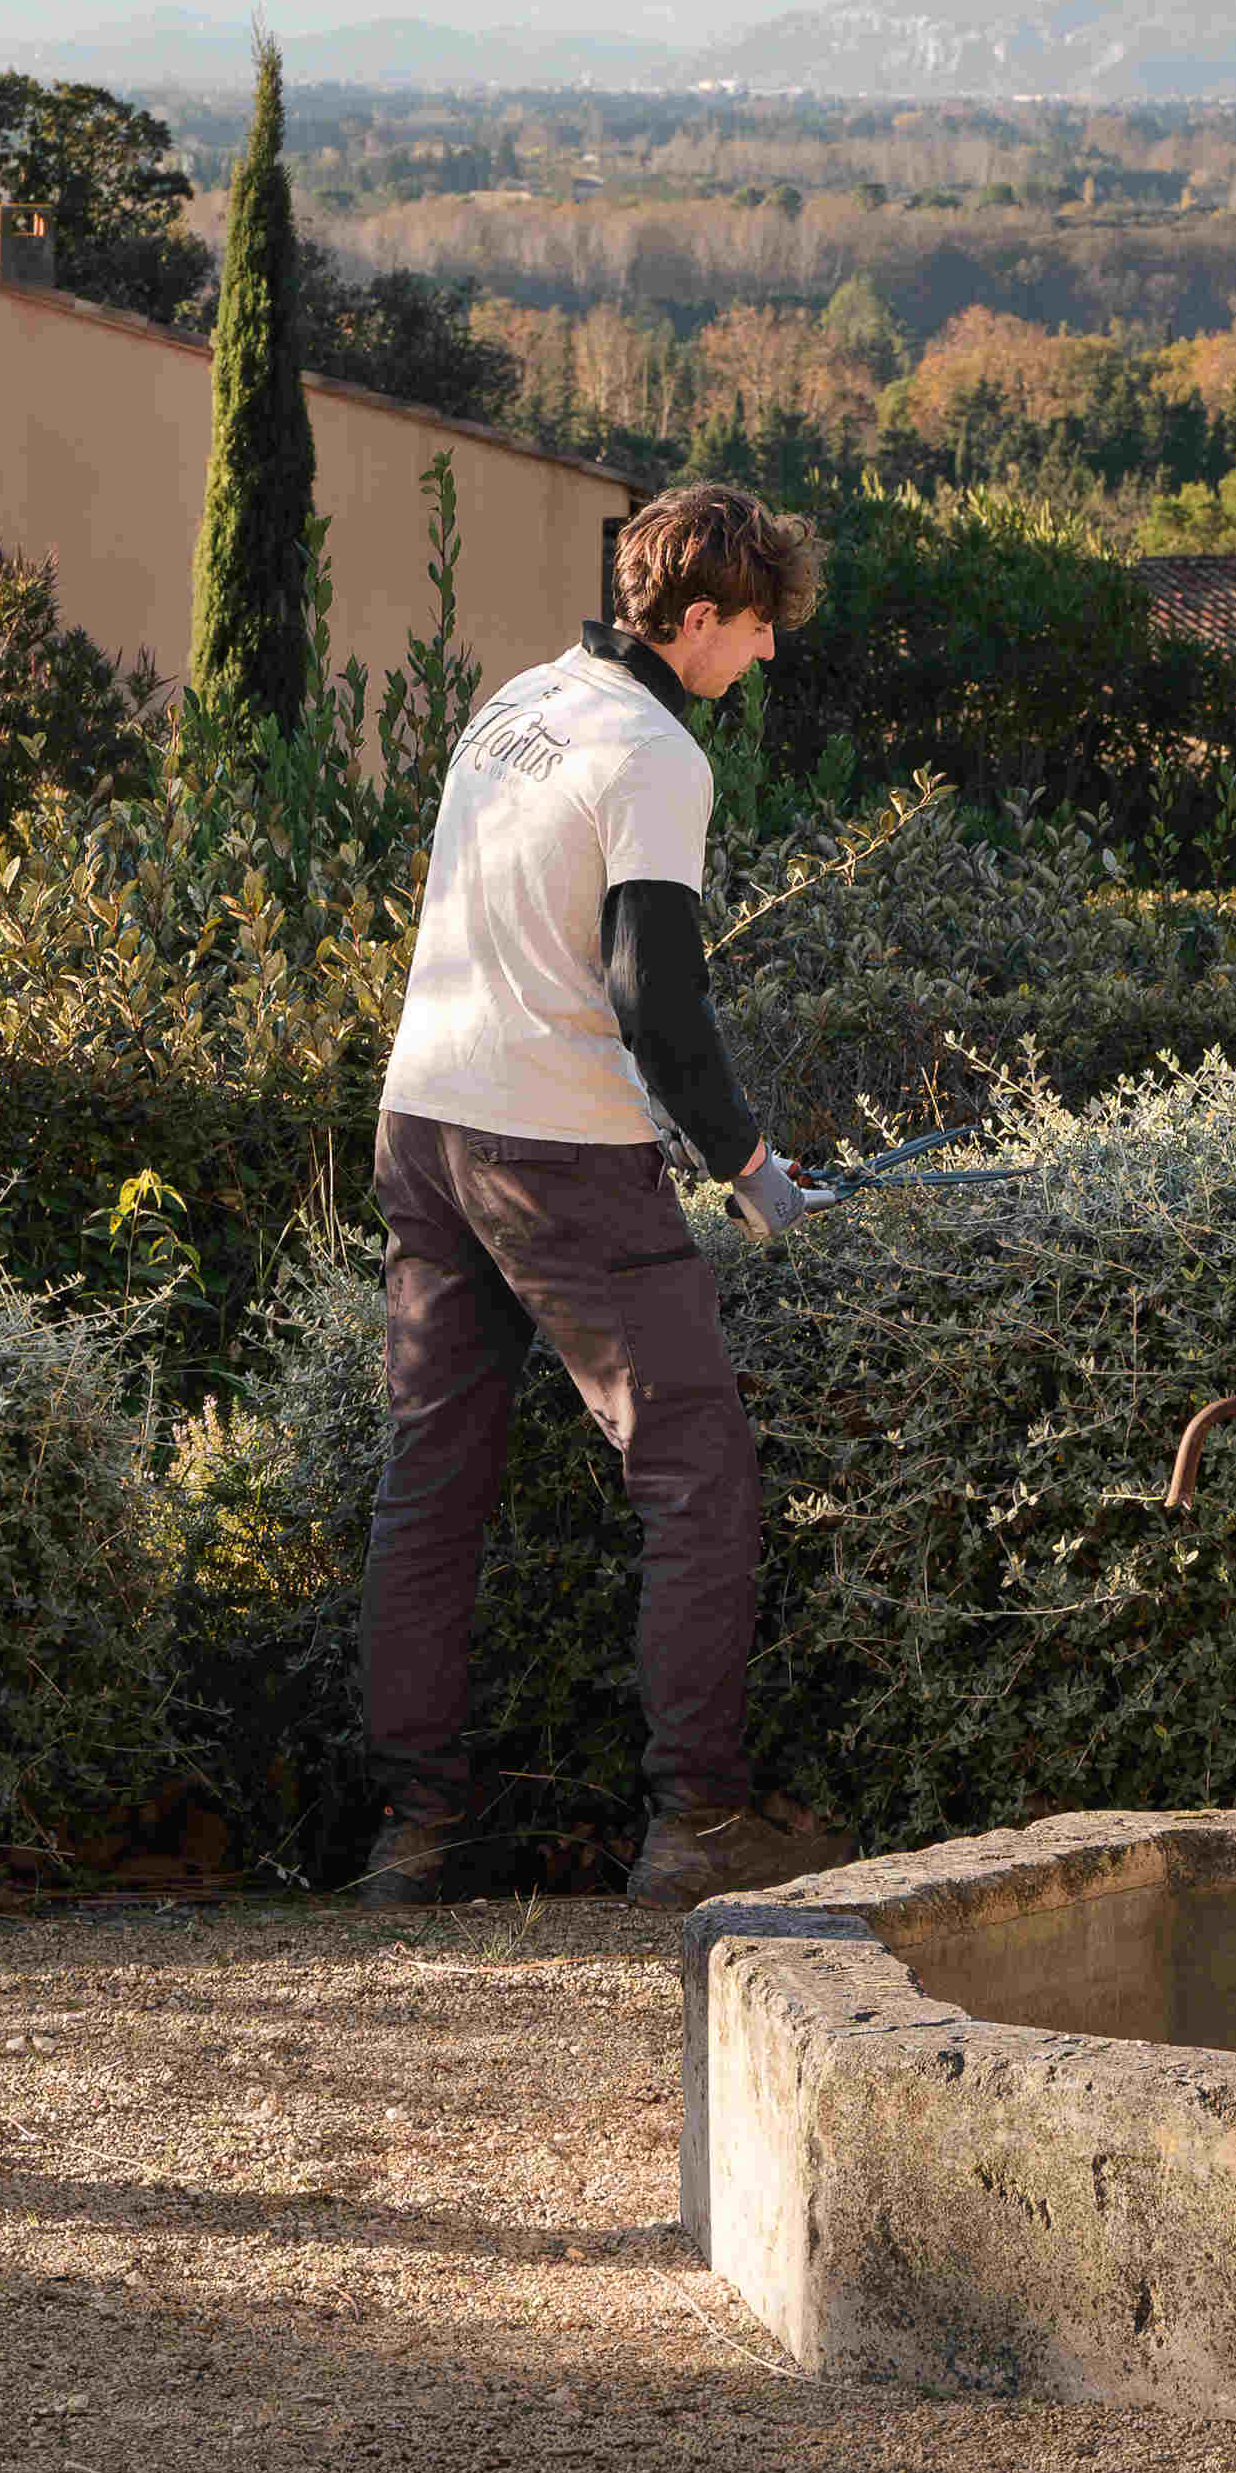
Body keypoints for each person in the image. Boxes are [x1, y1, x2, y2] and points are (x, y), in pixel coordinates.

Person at [349, 481, 854, 1911]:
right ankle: (696, 1821)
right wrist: (750, 1171)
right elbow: (655, 996)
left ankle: (418, 1833)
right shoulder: (651, 754)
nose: (762, 659)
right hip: (552, 1153)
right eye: (753, 633)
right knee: (696, 1475)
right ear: (697, 618)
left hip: (422, 1120)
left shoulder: (520, 702)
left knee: (430, 1482)